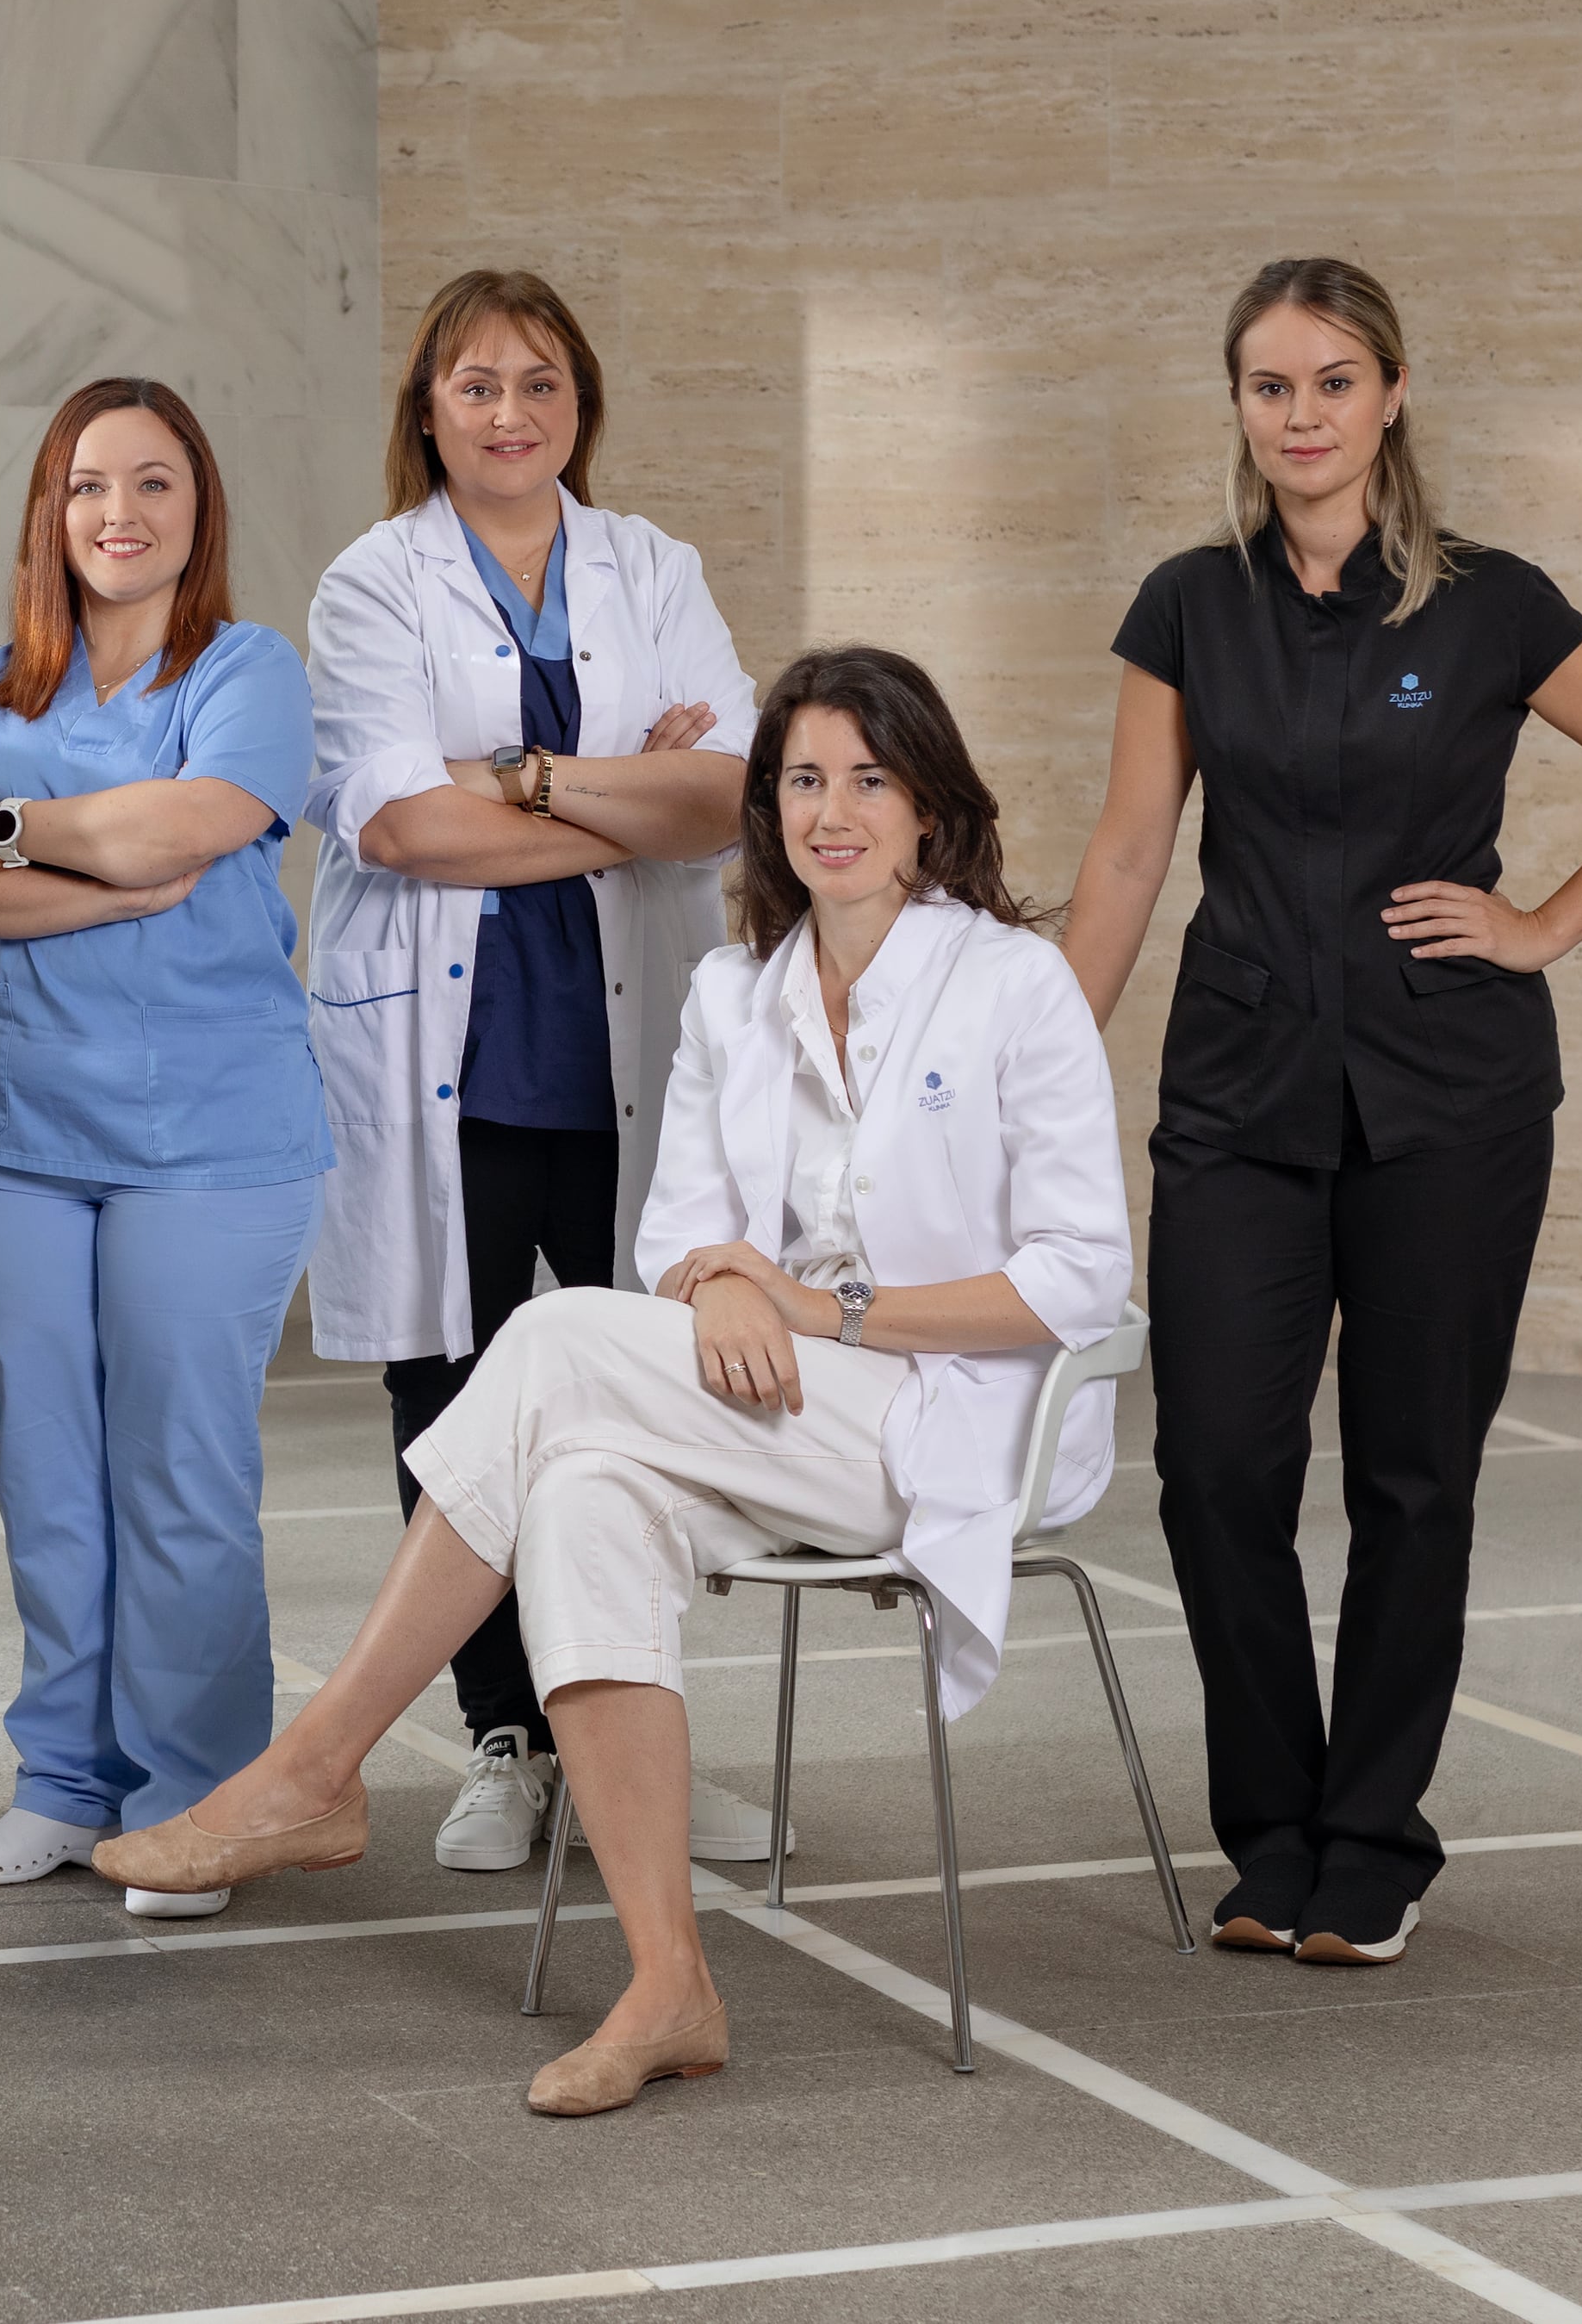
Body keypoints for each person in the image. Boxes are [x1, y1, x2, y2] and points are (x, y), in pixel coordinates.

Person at [102, 647, 1133, 2116]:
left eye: (869, 779)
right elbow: (678, 1226)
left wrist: (826, 1302)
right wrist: (722, 1279)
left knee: (552, 1339)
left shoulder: (1013, 985)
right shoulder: (735, 991)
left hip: (952, 1410)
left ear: (929, 807)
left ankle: (316, 1766)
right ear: (766, 808)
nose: (832, 810)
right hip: (771, 1397)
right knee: (582, 1491)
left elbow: (1082, 1270)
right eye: (799, 780)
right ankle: (670, 1983)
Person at [1065, 256, 1582, 1971]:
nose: (1301, 415)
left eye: (1332, 381)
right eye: (1270, 385)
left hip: (1453, 1099)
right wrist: (1043, 1053)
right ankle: (1268, 1827)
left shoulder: (1493, 605)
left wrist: (1539, 926)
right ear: (1237, 406)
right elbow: (1135, 851)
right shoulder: (1184, 608)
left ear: (1391, 394)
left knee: (1411, 1473)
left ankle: (1369, 1837)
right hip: (1236, 1094)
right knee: (1215, 1463)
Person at [299, 267, 761, 1875]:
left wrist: (523, 778)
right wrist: (616, 797)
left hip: (633, 1056)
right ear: (427, 405)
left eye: (542, 384)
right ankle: (504, 1738)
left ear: (583, 407)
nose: (511, 413)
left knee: (644, 1412)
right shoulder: (371, 585)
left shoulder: (653, 566)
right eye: (479, 384)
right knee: (461, 1407)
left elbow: (728, 799)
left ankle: (629, 1744)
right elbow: (397, 824)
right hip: (456, 1071)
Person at [0, 380, 331, 1922]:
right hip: (6, 1131)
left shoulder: (251, 669)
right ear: (50, 511)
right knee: (51, 1470)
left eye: (154, 482)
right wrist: (59, 854)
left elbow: (188, 829)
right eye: (89, 485)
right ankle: (66, 1786)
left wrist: (22, 826)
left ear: (199, 507)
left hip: (210, 1133)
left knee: (182, 1466)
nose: (119, 512)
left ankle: (197, 1798)